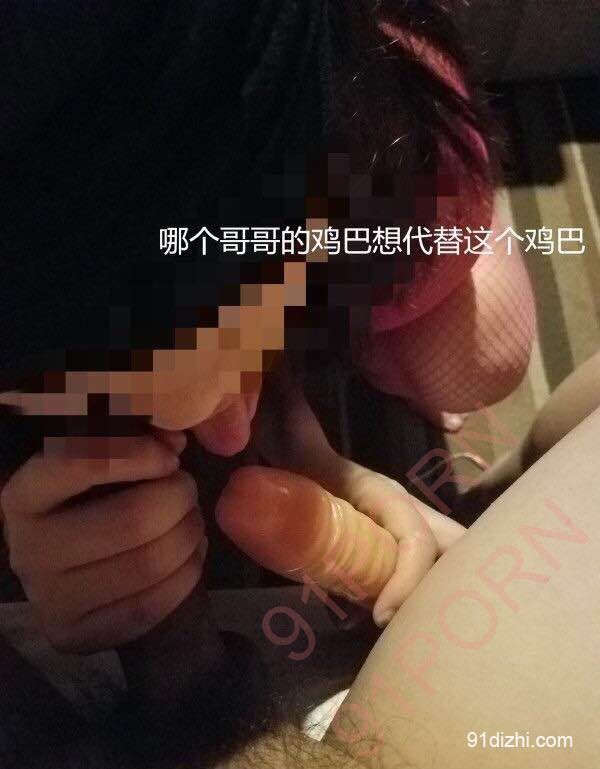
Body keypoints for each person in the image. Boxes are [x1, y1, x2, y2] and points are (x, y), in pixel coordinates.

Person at [0, 0, 536, 764]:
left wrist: (306, 443)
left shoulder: (392, 155)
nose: (227, 440)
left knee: (484, 350)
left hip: (366, 149)